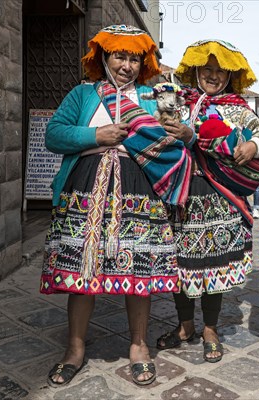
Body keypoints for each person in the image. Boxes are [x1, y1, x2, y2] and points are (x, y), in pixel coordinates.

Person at [40, 24, 190, 387]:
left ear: (144, 63)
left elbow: (181, 132)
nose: (126, 65)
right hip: (86, 190)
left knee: (138, 269)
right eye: (119, 56)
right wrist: (95, 135)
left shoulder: (152, 98)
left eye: (134, 58)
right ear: (103, 58)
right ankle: (74, 348)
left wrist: (186, 132)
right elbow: (54, 135)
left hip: (139, 191)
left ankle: (139, 347)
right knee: (81, 270)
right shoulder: (83, 94)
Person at [156, 40, 259, 362]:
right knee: (179, 264)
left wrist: (252, 147)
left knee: (214, 264)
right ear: (194, 70)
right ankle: (184, 326)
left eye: (219, 71)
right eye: (206, 69)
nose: (212, 76)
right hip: (179, 195)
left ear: (229, 75)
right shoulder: (177, 103)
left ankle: (209, 328)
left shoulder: (237, 108)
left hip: (217, 197)